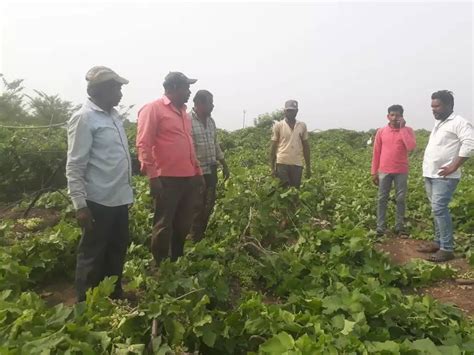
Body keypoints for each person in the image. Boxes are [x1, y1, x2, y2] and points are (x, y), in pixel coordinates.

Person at [66, 66, 133, 302]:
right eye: (117, 88)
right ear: (102, 90)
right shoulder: (84, 118)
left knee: (116, 250)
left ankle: (113, 296)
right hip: (98, 200)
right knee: (92, 255)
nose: (121, 94)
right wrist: (80, 205)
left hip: (119, 198)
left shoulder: (114, 116)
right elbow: (75, 164)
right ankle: (86, 306)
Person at [136, 72, 203, 266]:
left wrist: (197, 172)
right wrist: (152, 177)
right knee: (164, 223)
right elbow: (144, 144)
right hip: (167, 178)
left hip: (188, 177)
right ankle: (160, 264)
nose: (189, 92)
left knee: (183, 223)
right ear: (173, 88)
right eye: (186, 87)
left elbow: (189, 146)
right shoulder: (153, 109)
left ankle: (177, 259)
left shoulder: (183, 113)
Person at [417, 90, 473, 262]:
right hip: (431, 174)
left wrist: (454, 166)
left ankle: (447, 248)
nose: (434, 110)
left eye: (437, 106)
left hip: (445, 177)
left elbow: (470, 144)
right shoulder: (439, 123)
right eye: (432, 106)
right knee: (436, 209)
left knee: (440, 209)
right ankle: (438, 242)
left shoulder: (459, 122)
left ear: (449, 105)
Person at [189, 90, 229, 242]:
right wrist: (195, 171)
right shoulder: (187, 121)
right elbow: (188, 149)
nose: (213, 106)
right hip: (196, 171)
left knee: (209, 203)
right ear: (199, 103)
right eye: (210, 103)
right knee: (196, 205)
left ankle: (200, 234)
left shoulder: (211, 122)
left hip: (211, 169)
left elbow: (215, 144)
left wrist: (224, 164)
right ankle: (193, 237)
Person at [371, 104, 416, 238]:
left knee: (400, 199)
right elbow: (376, 152)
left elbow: (411, 147)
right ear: (388, 116)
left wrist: (402, 129)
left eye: (398, 115)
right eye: (392, 115)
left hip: (401, 170)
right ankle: (380, 227)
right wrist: (374, 172)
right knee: (382, 198)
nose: (395, 118)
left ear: (402, 117)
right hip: (384, 170)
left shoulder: (408, 130)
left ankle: (399, 227)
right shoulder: (381, 131)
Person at [270, 100, 311, 187]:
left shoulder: (302, 126)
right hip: (282, 163)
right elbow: (273, 147)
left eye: (293, 111)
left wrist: (308, 167)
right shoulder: (279, 126)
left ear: (297, 111)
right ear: (284, 111)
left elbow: (306, 147)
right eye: (288, 110)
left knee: (295, 192)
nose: (290, 113)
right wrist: (272, 168)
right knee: (284, 192)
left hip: (297, 164)